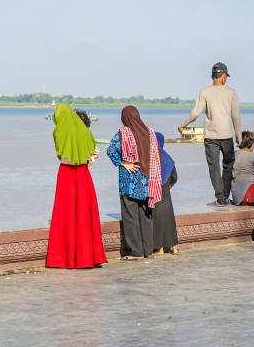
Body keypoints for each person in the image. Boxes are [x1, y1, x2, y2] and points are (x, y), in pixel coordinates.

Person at [46, 104, 108, 268]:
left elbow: (60, 155)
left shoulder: (58, 132)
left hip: (66, 174)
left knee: (64, 213)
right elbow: (94, 153)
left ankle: (64, 258)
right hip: (83, 174)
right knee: (84, 212)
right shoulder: (86, 132)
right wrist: (87, 161)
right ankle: (88, 257)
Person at [178, 62, 242, 207]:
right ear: (223, 76)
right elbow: (236, 116)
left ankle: (220, 199)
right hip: (227, 135)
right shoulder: (231, 92)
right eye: (226, 76)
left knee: (214, 168)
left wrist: (183, 125)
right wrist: (239, 137)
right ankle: (225, 196)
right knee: (228, 166)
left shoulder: (205, 91)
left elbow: (195, 114)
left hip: (211, 137)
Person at [107, 106, 162, 260]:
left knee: (130, 216)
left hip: (130, 180)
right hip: (148, 179)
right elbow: (157, 153)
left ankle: (136, 252)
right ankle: (147, 250)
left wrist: (123, 162)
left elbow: (110, 150)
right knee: (146, 215)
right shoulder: (150, 132)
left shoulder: (123, 133)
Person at [152, 132, 180, 255]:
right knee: (169, 220)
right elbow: (175, 177)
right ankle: (175, 247)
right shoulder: (168, 157)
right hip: (166, 193)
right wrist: (168, 186)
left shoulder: (152, 156)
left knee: (157, 219)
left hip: (155, 192)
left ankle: (160, 248)